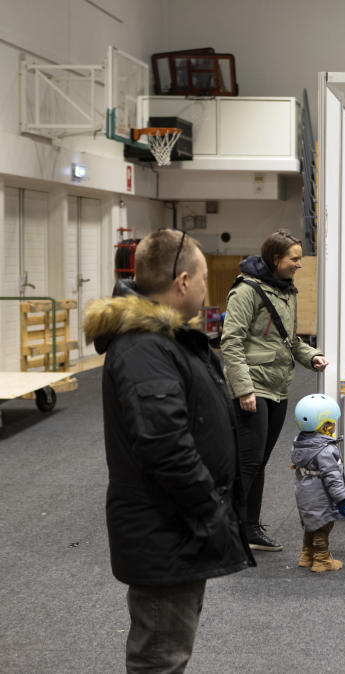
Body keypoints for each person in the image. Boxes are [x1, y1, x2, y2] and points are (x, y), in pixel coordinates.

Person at [83, 228, 255, 672]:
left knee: (169, 647)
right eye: (201, 279)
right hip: (166, 529)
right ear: (181, 282)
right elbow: (165, 446)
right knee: (159, 656)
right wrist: (209, 510)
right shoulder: (145, 348)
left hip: (176, 526)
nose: (204, 289)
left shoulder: (163, 340)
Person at [220, 230, 329, 552]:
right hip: (254, 387)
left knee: (257, 462)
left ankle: (248, 527)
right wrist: (243, 390)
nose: (299, 264)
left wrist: (313, 356)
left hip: (278, 386)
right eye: (294, 258)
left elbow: (290, 340)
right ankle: (231, 529)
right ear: (275, 259)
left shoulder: (286, 292)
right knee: (248, 463)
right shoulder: (245, 291)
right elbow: (231, 342)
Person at [290, 393, 345, 573]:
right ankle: (322, 560)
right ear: (324, 425)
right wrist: (343, 500)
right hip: (321, 496)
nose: (334, 426)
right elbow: (332, 478)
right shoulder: (325, 450)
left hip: (304, 492)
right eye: (332, 422)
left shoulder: (300, 443)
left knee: (311, 523)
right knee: (323, 526)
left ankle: (306, 555)